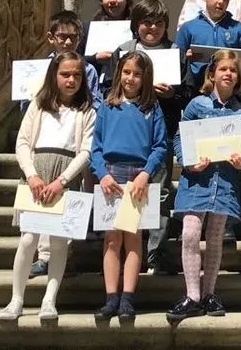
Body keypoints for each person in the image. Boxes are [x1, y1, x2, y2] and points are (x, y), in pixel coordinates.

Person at [0, 52, 95, 321]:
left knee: (59, 242)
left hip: (65, 177)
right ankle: (16, 298)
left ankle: (49, 299)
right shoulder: (38, 106)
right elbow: (22, 143)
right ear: (54, 75)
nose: (71, 79)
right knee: (28, 239)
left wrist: (61, 182)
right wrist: (31, 175)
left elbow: (86, 151)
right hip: (36, 177)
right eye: (65, 74)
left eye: (77, 75)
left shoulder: (87, 111)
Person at [167, 50, 241, 321]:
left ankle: (209, 294)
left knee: (215, 238)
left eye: (234, 70)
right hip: (197, 180)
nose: (228, 73)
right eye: (223, 69)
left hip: (224, 182)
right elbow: (180, 138)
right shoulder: (196, 105)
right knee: (191, 233)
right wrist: (188, 162)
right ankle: (192, 295)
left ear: (238, 78)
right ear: (211, 74)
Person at [104, 0, 184, 276]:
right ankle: (123, 253)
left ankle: (155, 253)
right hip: (125, 138)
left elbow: (184, 92)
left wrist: (172, 94)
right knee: (122, 196)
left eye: (159, 23)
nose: (152, 28)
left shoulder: (174, 50)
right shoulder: (123, 52)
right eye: (147, 22)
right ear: (136, 25)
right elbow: (109, 89)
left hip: (160, 135)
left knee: (159, 194)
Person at [24, 10, 102, 280]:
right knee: (41, 208)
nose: (67, 42)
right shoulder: (37, 68)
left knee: (67, 208)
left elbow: (92, 99)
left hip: (73, 145)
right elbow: (27, 110)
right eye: (62, 36)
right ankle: (44, 257)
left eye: (73, 37)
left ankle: (62, 256)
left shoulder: (88, 68)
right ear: (51, 38)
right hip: (42, 146)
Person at [91, 51, 168, 321]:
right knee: (112, 240)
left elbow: (160, 146)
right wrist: (102, 175)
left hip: (138, 178)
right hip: (110, 176)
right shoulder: (107, 106)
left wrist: (146, 174)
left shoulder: (151, 108)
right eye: (126, 72)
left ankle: (127, 298)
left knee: (134, 239)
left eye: (137, 73)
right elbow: (96, 147)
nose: (130, 78)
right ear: (118, 73)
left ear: (145, 77)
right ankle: (111, 297)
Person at [176, 0, 241, 96]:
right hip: (196, 90)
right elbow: (177, 63)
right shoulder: (188, 28)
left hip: (229, 92)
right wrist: (186, 58)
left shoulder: (239, 29)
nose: (221, 1)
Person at [79, 0, 134, 79]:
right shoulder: (87, 29)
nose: (112, 0)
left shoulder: (137, 30)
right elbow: (74, 60)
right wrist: (94, 58)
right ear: (101, 0)